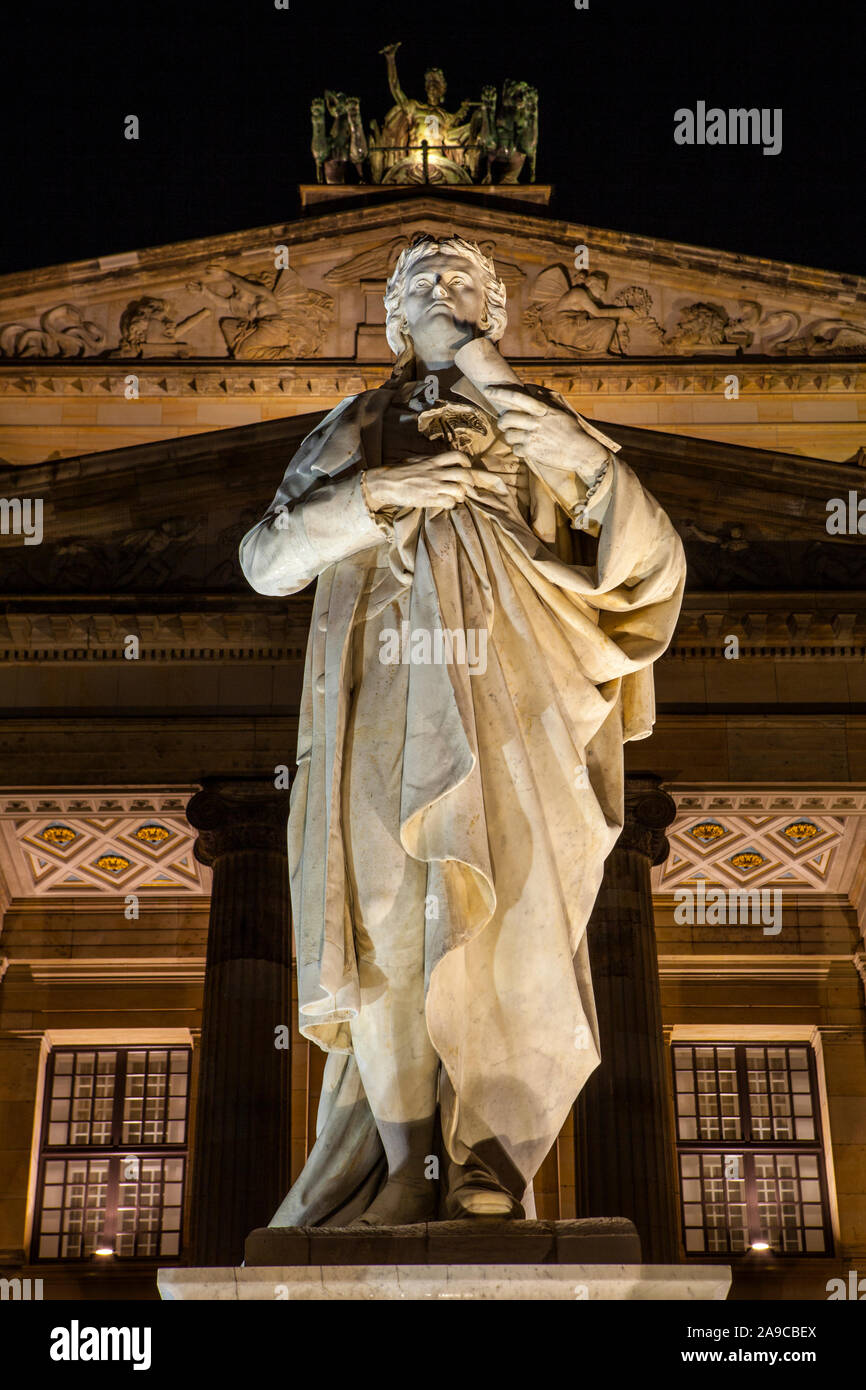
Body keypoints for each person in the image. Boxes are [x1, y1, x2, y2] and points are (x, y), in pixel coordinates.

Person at [240, 233, 686, 1226]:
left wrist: (483, 368)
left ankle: (486, 1155)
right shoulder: (356, 423)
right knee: (388, 918)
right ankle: (405, 1160)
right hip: (381, 704)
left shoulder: (539, 426)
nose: (442, 295)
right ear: (392, 318)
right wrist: (371, 496)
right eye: (422, 286)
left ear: (493, 314)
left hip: (512, 703)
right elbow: (265, 560)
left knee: (512, 914)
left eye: (463, 286)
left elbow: (640, 539)